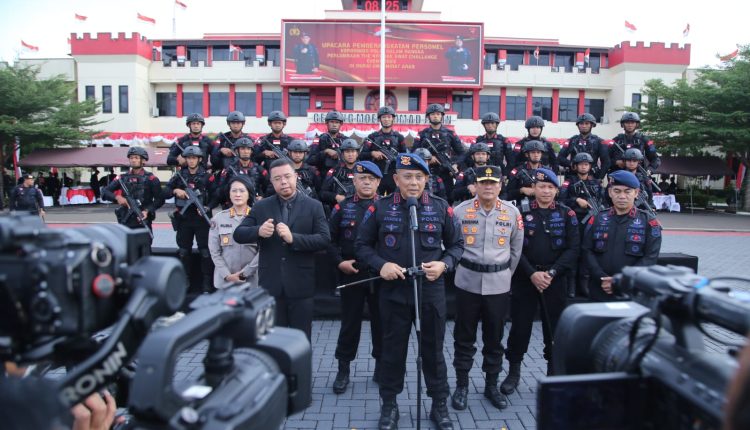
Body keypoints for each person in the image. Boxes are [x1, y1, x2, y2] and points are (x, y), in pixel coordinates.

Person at [356, 153, 464, 430]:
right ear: (396, 179)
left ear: (427, 179)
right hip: (394, 291)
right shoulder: (380, 208)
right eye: (407, 177)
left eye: (419, 177)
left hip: (430, 290)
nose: (413, 182)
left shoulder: (440, 207)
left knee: (434, 351)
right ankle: (389, 405)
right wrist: (380, 265)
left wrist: (444, 264)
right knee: (392, 351)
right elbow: (362, 245)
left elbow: (457, 245)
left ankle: (439, 404)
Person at [500, 168, 580, 396]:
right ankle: (513, 373)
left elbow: (573, 249)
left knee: (554, 330)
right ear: (533, 188)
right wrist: (532, 274)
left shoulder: (567, 214)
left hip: (555, 280)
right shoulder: (520, 212)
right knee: (520, 328)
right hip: (526, 279)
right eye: (542, 186)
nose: (546, 191)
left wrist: (552, 273)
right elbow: (513, 247)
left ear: (556, 190)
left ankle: (553, 373)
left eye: (550, 187)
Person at [450, 165, 523, 412]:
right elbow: (451, 244)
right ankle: (461, 386)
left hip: (498, 285)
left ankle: (491, 385)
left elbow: (516, 249)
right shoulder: (460, 211)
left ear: (500, 186)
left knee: (494, 339)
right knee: (464, 337)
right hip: (467, 282)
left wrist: (503, 275)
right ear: (476, 186)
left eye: (493, 183)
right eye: (483, 182)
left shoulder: (512, 212)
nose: (488, 187)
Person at [233, 158, 330, 340]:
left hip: (301, 286)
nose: (283, 182)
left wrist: (294, 238)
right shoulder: (261, 206)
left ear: (296, 176)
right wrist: (258, 231)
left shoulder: (313, 206)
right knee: (273, 342)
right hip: (271, 286)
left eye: (287, 176)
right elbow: (238, 234)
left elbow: (324, 239)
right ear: (271, 181)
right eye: (277, 179)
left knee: (301, 341)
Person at [329, 161, 383, 395]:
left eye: (371, 179)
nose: (367, 182)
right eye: (362, 178)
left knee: (381, 324)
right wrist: (339, 262)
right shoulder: (342, 207)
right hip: (351, 273)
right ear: (355, 181)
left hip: (380, 276)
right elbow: (329, 240)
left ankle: (381, 366)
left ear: (378, 182)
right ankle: (343, 370)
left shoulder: (387, 207)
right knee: (349, 324)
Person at [582, 170, 662, 302]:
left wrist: (620, 280)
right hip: (600, 287)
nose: (622, 196)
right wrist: (601, 277)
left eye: (627, 191)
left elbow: (650, 258)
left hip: (631, 290)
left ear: (636, 193)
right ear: (610, 192)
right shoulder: (597, 218)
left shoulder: (649, 222)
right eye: (617, 191)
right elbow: (587, 250)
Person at [164, 146, 214, 293]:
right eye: (189, 158)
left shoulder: (207, 176)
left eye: (194, 158)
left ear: (199, 159)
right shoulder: (179, 175)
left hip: (202, 219)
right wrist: (175, 190)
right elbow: (165, 191)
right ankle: (184, 282)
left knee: (205, 252)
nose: (191, 161)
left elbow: (217, 195)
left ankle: (206, 284)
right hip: (184, 219)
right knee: (183, 252)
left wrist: (208, 207)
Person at [559, 152, 604, 297]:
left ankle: (584, 283)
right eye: (581, 164)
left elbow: (604, 201)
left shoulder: (596, 183)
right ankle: (571, 284)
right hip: (574, 220)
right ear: (575, 166)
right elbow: (561, 201)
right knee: (573, 250)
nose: (584, 167)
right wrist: (576, 200)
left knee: (588, 250)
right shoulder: (569, 182)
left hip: (592, 220)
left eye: (586, 164)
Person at [208, 175, 259, 289]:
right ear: (229, 194)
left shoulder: (258, 217)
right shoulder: (219, 218)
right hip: (225, 281)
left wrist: (244, 273)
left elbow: (263, 251)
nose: (237, 194)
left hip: (251, 282)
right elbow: (214, 252)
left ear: (249, 193)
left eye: (242, 191)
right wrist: (227, 275)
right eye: (234, 191)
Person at [101, 147, 163, 239]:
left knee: (144, 246)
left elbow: (160, 200)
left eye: (136, 158)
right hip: (125, 221)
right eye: (131, 158)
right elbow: (104, 192)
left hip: (143, 220)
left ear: (143, 160)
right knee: (126, 246)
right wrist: (117, 198)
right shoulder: (122, 178)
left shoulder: (151, 179)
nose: (133, 160)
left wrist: (147, 211)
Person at [413, 103, 466, 202]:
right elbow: (414, 152)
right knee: (425, 200)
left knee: (448, 200)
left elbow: (462, 153)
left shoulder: (450, 134)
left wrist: (455, 164)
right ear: (428, 117)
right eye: (433, 114)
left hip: (445, 173)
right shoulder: (422, 134)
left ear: (442, 116)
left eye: (438, 114)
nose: (435, 116)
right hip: (426, 173)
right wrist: (428, 158)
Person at [210, 137, 267, 209]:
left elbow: (269, 186)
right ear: (237, 151)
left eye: (248, 149)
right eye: (242, 149)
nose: (246, 151)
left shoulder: (259, 169)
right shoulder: (228, 170)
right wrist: (209, 207)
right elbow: (220, 191)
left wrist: (263, 197)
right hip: (233, 207)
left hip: (254, 207)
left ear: (251, 151)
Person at [361, 106, 407, 195]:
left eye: (389, 117)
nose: (386, 119)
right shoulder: (372, 137)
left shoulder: (399, 137)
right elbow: (361, 155)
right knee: (375, 200)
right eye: (384, 117)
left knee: (395, 200)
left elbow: (405, 158)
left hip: (394, 176)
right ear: (380, 119)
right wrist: (372, 153)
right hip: (376, 174)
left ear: (393, 119)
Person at [557, 113, 609, 179]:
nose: (584, 126)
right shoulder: (572, 141)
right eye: (581, 124)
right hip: (573, 177)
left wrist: (599, 178)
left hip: (592, 177)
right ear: (578, 125)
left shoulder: (599, 142)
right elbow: (560, 158)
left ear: (591, 125)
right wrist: (571, 164)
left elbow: (606, 162)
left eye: (587, 123)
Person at [502, 140, 550, 211]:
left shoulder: (548, 171)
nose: (536, 155)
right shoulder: (517, 171)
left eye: (538, 152)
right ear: (527, 154)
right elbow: (508, 194)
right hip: (523, 208)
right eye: (533, 152)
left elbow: (556, 191)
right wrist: (521, 190)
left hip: (544, 207)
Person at [320, 138, 360, 210]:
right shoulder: (334, 171)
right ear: (342, 154)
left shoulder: (363, 170)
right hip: (339, 209)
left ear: (357, 154)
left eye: (353, 151)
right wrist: (336, 197)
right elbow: (322, 193)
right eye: (347, 151)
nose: (350, 154)